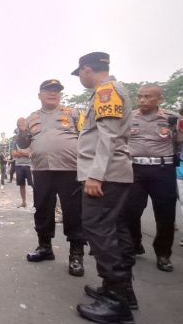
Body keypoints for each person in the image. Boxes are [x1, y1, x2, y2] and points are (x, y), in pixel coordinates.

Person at [72, 52, 136, 324]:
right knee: (113, 230)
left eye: (81, 74)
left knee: (99, 232)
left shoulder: (106, 91)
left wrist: (95, 176)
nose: (81, 79)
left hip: (105, 175)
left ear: (87, 69)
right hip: (112, 174)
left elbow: (107, 137)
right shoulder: (108, 90)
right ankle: (118, 291)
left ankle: (117, 302)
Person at [16, 79, 85, 277]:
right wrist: (21, 131)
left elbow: (87, 137)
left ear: (60, 94)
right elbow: (23, 144)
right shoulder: (31, 118)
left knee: (73, 212)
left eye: (56, 90)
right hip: (42, 170)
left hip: (70, 169)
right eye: (48, 90)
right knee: (43, 209)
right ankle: (45, 247)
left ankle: (76, 255)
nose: (52, 93)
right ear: (40, 95)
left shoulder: (73, 114)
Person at [124, 84, 182, 272]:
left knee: (165, 214)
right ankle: (134, 244)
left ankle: (163, 254)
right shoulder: (129, 117)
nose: (142, 100)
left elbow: (180, 143)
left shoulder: (172, 118)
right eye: (140, 96)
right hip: (135, 170)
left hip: (162, 170)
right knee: (130, 211)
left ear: (160, 99)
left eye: (148, 97)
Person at [11, 138, 33, 207]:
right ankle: (24, 202)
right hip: (19, 166)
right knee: (21, 185)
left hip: (29, 166)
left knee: (33, 185)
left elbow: (31, 154)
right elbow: (14, 154)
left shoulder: (30, 141)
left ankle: (37, 202)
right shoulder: (15, 142)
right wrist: (26, 154)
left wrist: (19, 152)